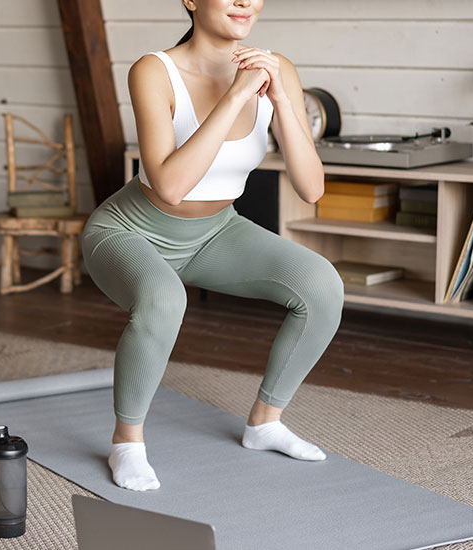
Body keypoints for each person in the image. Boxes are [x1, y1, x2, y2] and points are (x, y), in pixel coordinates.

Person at [80, 0, 344, 492]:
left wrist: (282, 100)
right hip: (129, 231)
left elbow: (312, 189)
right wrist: (237, 93)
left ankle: (265, 423)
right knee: (163, 299)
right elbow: (170, 187)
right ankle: (127, 444)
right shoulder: (153, 71)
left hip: (216, 232)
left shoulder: (276, 67)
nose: (246, 1)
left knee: (321, 285)